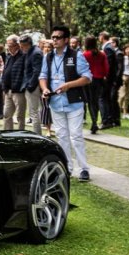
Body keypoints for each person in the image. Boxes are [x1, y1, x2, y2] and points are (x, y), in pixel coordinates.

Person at [40, 25, 92, 181]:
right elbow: (42, 76)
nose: (54, 40)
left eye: (58, 37)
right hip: (55, 102)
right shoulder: (48, 57)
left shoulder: (77, 56)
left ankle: (84, 169)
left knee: (76, 136)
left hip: (74, 102)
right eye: (53, 37)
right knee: (62, 136)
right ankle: (66, 167)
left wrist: (68, 85)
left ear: (66, 40)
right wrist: (44, 89)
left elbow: (87, 78)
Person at [82, 35, 109, 135]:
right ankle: (95, 121)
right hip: (99, 80)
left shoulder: (85, 54)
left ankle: (94, 122)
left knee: (89, 102)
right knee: (96, 101)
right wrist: (104, 76)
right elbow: (106, 67)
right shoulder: (101, 54)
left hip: (88, 80)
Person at [1, 35, 27, 131]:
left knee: (20, 116)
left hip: (19, 91)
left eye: (10, 45)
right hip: (8, 91)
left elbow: (25, 74)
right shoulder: (8, 56)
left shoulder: (23, 55)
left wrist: (21, 87)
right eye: (7, 45)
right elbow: (5, 71)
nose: (8, 47)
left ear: (17, 45)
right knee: (7, 114)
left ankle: (21, 134)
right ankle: (8, 134)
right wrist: (4, 87)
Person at [99, 31, 124, 129]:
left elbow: (108, 65)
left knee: (103, 98)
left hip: (108, 79)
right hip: (110, 79)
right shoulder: (109, 47)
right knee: (109, 99)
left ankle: (106, 120)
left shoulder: (108, 48)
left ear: (102, 37)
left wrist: (105, 76)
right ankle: (112, 119)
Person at [24, 36, 47, 136]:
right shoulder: (32, 51)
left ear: (26, 44)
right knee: (33, 112)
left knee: (34, 112)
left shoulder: (36, 53)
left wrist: (30, 85)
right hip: (31, 84)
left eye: (22, 46)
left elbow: (37, 71)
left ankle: (37, 135)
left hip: (33, 86)